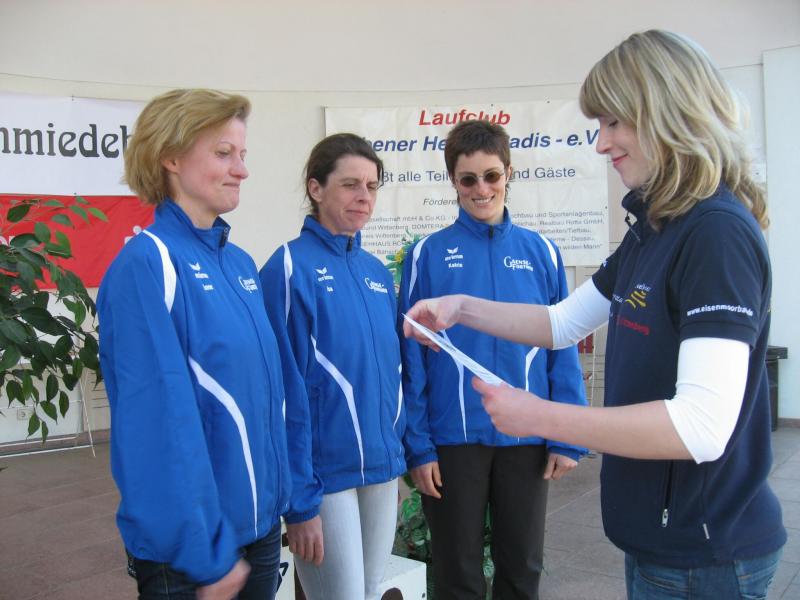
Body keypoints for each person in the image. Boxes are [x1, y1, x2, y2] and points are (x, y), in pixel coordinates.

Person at [404, 30, 785, 599]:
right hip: (659, 541)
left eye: (612, 122)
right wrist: (459, 308)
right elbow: (561, 323)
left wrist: (542, 417)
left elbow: (701, 426)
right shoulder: (656, 228)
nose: (601, 143)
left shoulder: (716, 234)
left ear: (664, 113)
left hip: (704, 554)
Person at [98, 89, 292, 600]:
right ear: (171, 157)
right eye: (224, 153)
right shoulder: (147, 264)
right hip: (194, 554)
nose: (242, 170)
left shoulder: (240, 264)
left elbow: (266, 400)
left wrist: (285, 502)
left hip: (258, 532)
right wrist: (204, 551)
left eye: (242, 154)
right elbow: (155, 423)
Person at [399, 119, 588, 600]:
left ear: (509, 173)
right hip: (453, 438)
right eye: (468, 179)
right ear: (453, 181)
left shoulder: (541, 252)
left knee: (522, 568)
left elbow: (562, 342)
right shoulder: (427, 254)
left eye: (491, 176)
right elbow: (412, 357)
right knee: (456, 572)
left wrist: (566, 433)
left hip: (527, 433)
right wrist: (419, 446)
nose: (481, 189)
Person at [259, 133, 406, 600]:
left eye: (372, 186)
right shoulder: (288, 267)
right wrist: (300, 501)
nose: (364, 196)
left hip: (380, 469)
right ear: (316, 188)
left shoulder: (376, 273)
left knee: (370, 592)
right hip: (325, 477)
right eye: (350, 184)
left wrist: (396, 456)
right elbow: (281, 391)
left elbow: (391, 373)